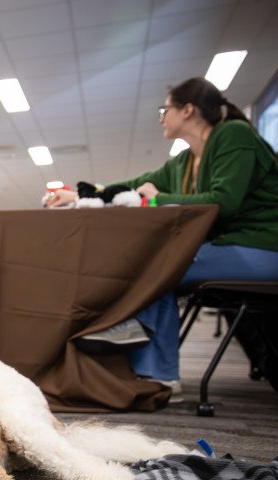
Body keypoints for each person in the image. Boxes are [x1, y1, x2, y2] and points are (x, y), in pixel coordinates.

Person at [45, 77, 278, 394]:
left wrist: (155, 200)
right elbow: (131, 185)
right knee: (160, 263)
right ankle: (155, 368)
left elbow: (223, 201)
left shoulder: (234, 135)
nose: (161, 117)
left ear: (187, 110)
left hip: (262, 246)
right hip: (228, 248)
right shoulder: (183, 162)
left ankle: (138, 340)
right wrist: (74, 195)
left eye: (164, 109)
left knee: (162, 264)